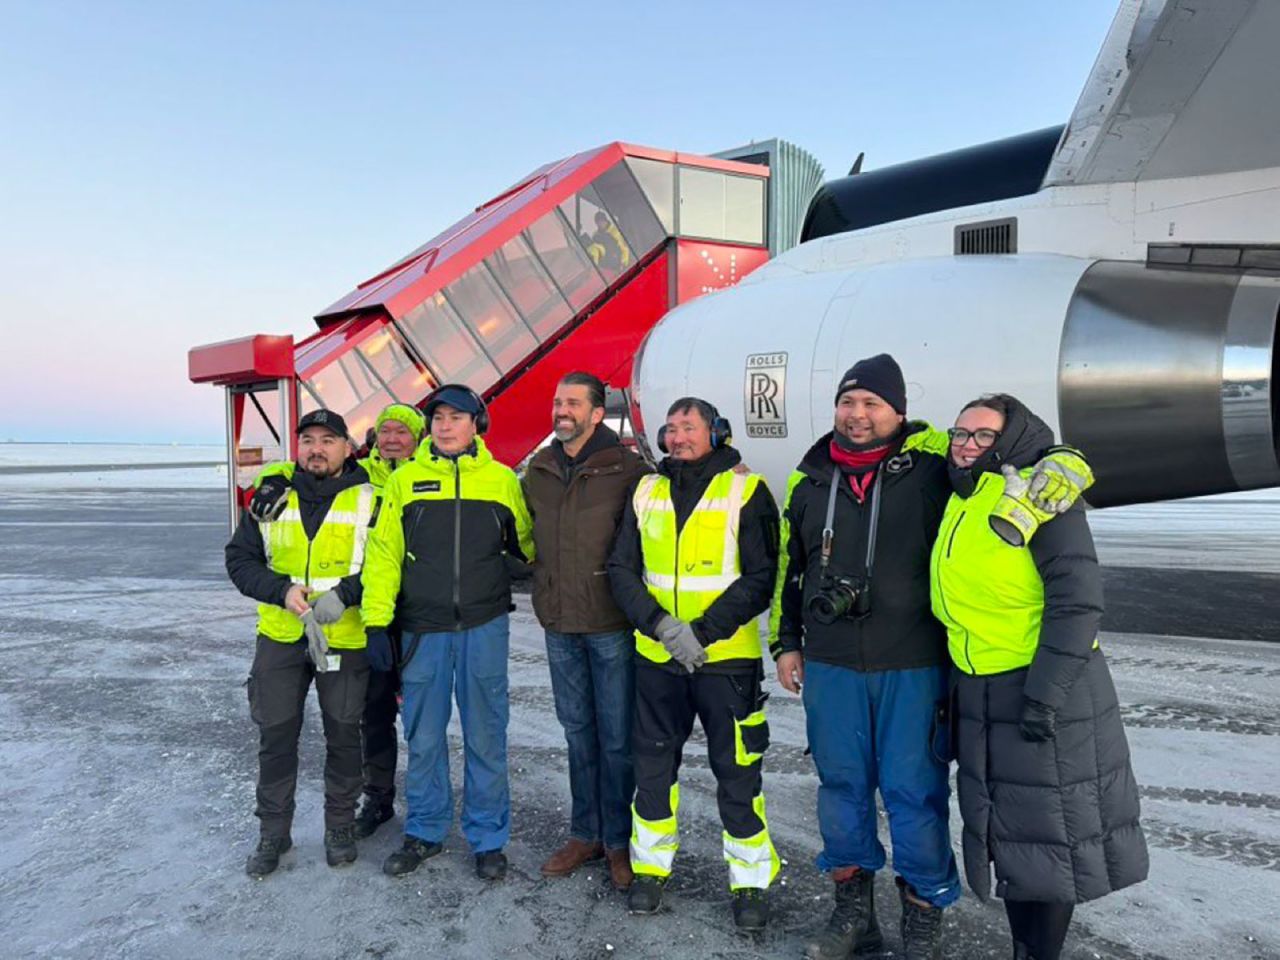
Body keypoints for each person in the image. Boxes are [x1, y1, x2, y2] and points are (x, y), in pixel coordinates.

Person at [770, 354, 1093, 960]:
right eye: (848, 402)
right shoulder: (808, 478)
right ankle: (853, 915)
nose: (858, 414)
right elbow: (795, 568)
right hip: (833, 664)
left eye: (871, 404)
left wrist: (1066, 460)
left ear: (899, 411)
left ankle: (923, 915)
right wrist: (786, 641)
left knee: (913, 791)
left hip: (914, 663)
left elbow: (1011, 448)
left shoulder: (933, 462)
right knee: (839, 788)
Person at [933, 394, 1147, 960]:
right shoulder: (963, 491)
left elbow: (1077, 602)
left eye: (983, 436)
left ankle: (1037, 954)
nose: (967, 445)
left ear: (1009, 441)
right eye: (960, 433)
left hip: (1040, 687)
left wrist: (1044, 697)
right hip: (980, 686)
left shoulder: (1039, 492)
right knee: (1011, 834)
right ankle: (1023, 948)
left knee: (1052, 837)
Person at [608, 398, 780, 932]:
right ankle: (651, 869)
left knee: (737, 775)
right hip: (658, 658)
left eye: (690, 427)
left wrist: (700, 634)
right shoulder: (647, 489)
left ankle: (749, 881)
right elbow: (621, 568)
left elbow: (761, 577)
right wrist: (662, 627)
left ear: (717, 433)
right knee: (654, 768)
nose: (679, 436)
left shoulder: (746, 490)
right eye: (672, 428)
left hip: (724, 661)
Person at [361, 384, 534, 882]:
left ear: (476, 423)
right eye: (437, 416)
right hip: (423, 631)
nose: (444, 424)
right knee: (425, 737)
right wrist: (377, 622)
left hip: (484, 627)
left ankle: (487, 837)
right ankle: (426, 831)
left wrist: (515, 565)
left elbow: (524, 541)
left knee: (486, 735)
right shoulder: (405, 482)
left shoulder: (501, 481)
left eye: (456, 416)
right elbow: (384, 555)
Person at [249, 402, 427, 838]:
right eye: (384, 431)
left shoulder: (419, 476)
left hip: (403, 613)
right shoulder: (362, 479)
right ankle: (378, 798)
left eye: (402, 432)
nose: (392, 439)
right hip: (361, 619)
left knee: (401, 718)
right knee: (371, 713)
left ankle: (404, 807)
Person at [224, 409, 377, 878]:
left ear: (347, 447)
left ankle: (339, 826)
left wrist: (347, 594)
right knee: (275, 736)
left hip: (343, 637)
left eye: (328, 440)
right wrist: (281, 591)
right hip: (281, 636)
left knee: (344, 735)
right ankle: (273, 832)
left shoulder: (374, 498)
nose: (316, 448)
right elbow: (241, 559)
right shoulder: (273, 492)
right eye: (308, 439)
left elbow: (387, 566)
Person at [522, 372, 650, 890]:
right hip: (559, 622)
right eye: (558, 401)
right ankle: (585, 833)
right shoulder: (540, 467)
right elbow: (522, 534)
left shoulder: (629, 469)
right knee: (578, 735)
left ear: (598, 413)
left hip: (610, 623)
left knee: (617, 740)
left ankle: (619, 842)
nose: (562, 410)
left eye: (573, 402)